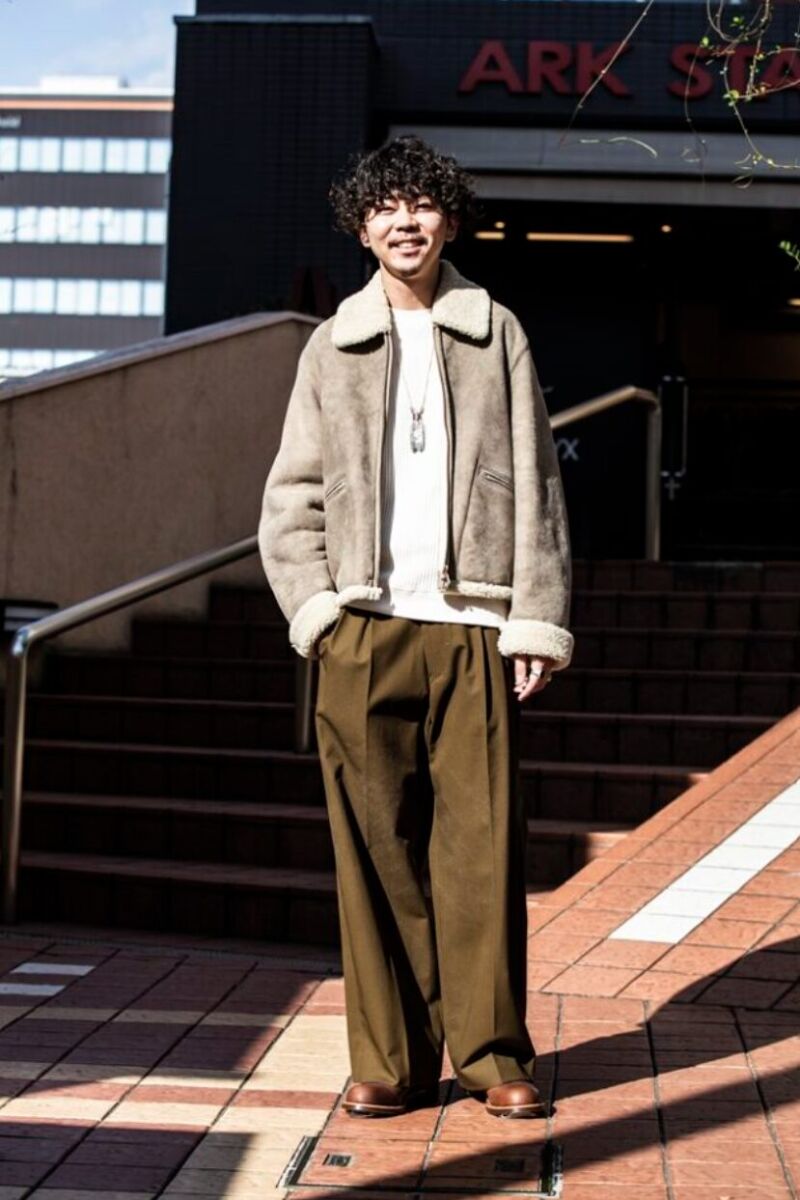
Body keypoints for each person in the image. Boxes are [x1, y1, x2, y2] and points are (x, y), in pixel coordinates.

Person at [258, 135, 573, 1120]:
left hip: (473, 629)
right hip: (363, 630)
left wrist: (534, 619)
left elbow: (537, 483)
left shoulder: (495, 331)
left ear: (449, 221)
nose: (406, 221)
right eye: (386, 208)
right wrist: (317, 613)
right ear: (362, 228)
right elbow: (291, 497)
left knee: (481, 853)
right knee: (374, 857)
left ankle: (491, 1055)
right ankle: (390, 1058)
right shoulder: (332, 345)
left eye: (422, 205)